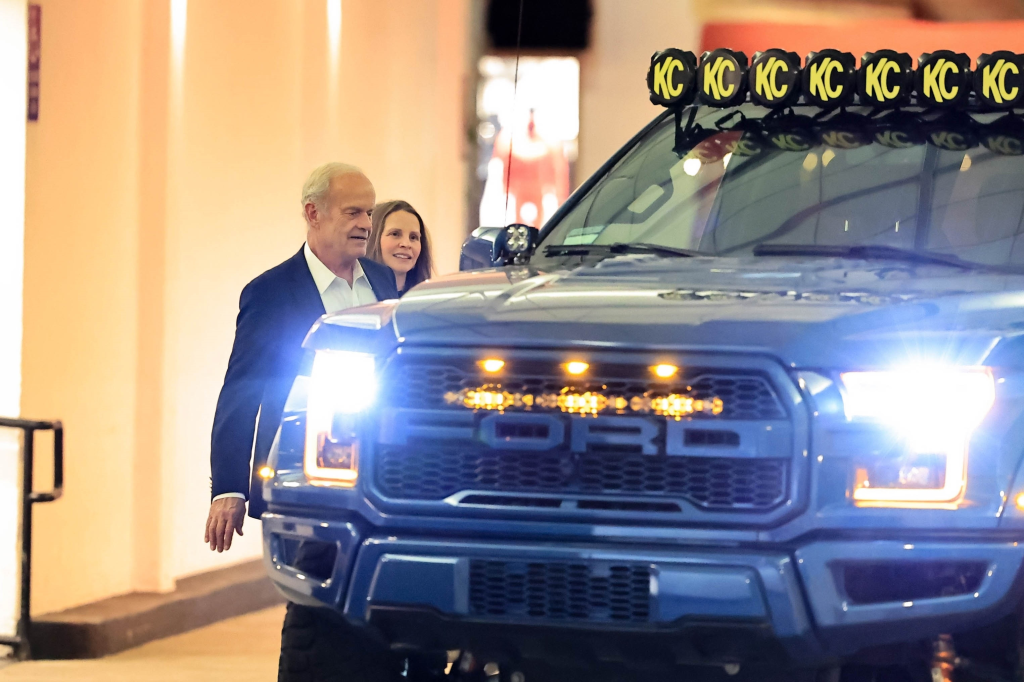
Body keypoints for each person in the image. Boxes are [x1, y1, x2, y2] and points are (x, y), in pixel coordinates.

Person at [204, 162, 399, 553]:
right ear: (314, 213)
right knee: (310, 600)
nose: (366, 223)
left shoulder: (382, 280)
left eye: (369, 213)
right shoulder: (270, 292)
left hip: (384, 477)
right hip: (304, 477)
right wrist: (229, 487)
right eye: (353, 212)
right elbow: (241, 391)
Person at [367, 200, 434, 295]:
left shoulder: (428, 300)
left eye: (413, 237)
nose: (406, 244)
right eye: (395, 234)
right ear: (372, 238)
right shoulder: (357, 297)